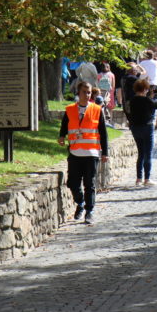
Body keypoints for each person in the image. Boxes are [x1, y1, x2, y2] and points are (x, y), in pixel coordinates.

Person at [57, 81, 109, 224]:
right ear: (78, 93)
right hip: (75, 152)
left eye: (89, 92)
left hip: (91, 153)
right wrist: (61, 136)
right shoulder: (70, 109)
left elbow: (103, 133)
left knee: (89, 184)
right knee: (73, 183)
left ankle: (89, 211)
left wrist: (105, 152)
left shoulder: (97, 110)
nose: (87, 95)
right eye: (84, 92)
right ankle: (80, 203)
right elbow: (64, 125)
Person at [127, 79, 157, 186]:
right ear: (145, 89)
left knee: (141, 153)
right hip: (147, 127)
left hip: (135, 128)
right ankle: (147, 179)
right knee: (148, 153)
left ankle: (139, 179)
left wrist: (150, 97)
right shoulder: (147, 100)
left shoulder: (132, 100)